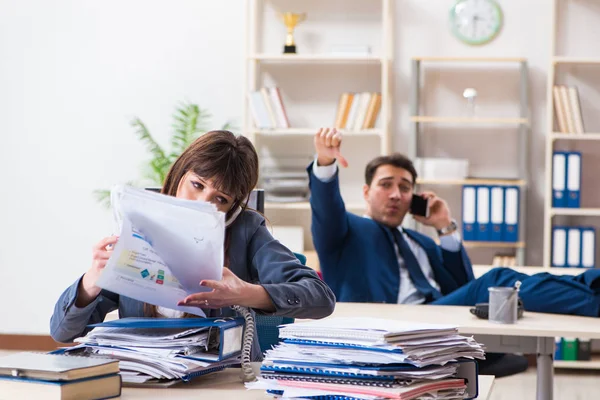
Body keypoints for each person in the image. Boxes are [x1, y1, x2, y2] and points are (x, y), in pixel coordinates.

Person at [50, 130, 336, 360]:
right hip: (145, 375)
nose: (203, 203)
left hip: (219, 378)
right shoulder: (139, 225)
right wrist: (91, 282)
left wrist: (247, 293)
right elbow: (62, 332)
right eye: (197, 185)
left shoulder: (246, 231)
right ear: (179, 175)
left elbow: (321, 298)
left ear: (233, 207)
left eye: (220, 199)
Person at [308, 127, 600, 318]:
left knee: (526, 282)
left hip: (437, 314)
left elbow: (463, 284)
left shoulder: (420, 242)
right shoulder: (345, 231)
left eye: (406, 187)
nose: (396, 194)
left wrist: (444, 227)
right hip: (388, 320)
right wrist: (325, 163)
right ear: (366, 192)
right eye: (386, 184)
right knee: (498, 280)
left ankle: (591, 283)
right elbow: (326, 206)